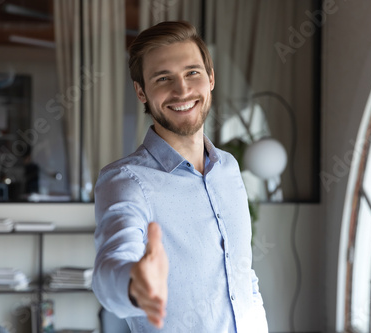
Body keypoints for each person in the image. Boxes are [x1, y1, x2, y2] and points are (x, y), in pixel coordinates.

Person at [92, 21, 269, 332]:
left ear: (210, 78)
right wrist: (135, 284)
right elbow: (110, 267)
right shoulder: (125, 181)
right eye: (163, 78)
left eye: (192, 73)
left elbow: (243, 276)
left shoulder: (228, 168)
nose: (183, 89)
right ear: (141, 91)